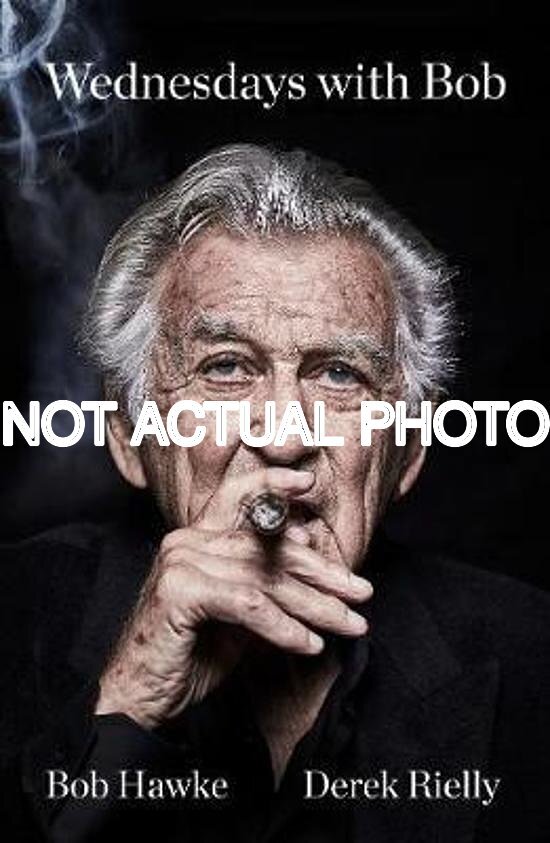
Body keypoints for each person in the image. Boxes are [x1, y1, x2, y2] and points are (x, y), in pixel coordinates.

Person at [1, 145, 549, 842]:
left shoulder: (535, 657)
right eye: (226, 368)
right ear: (129, 436)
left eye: (341, 375)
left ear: (408, 451)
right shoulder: (15, 614)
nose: (287, 438)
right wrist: (131, 699)